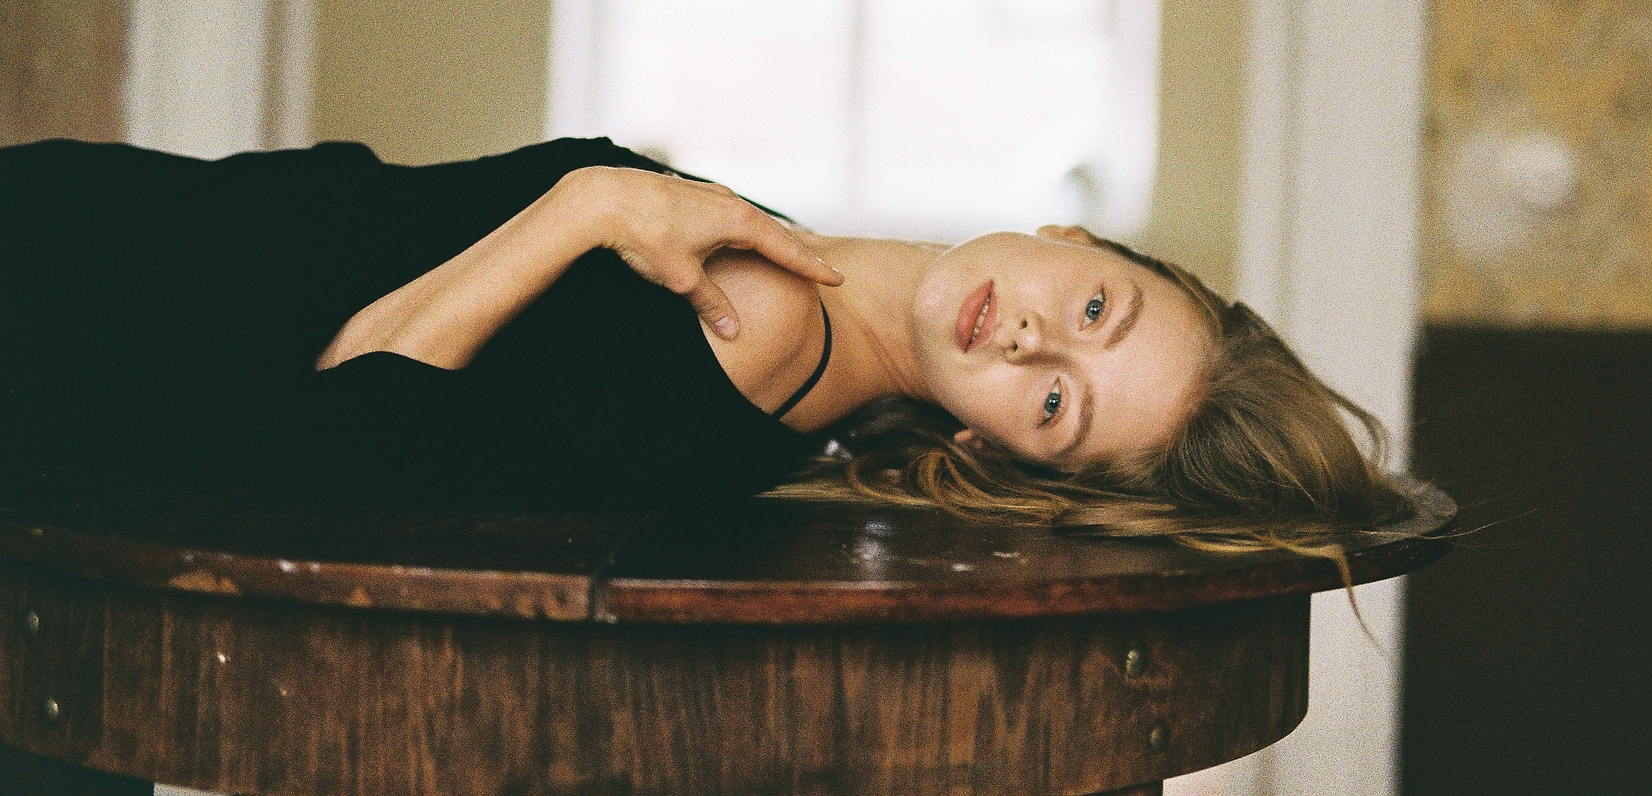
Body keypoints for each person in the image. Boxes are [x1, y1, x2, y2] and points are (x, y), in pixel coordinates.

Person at [0, 136, 1404, 555]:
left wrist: (590, 205)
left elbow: (332, 418)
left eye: (1055, 406)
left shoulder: (764, 336)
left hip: (73, 324)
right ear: (1087, 244)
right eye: (1097, 313)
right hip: (98, 237)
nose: (1036, 340)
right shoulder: (798, 304)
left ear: (1002, 449)